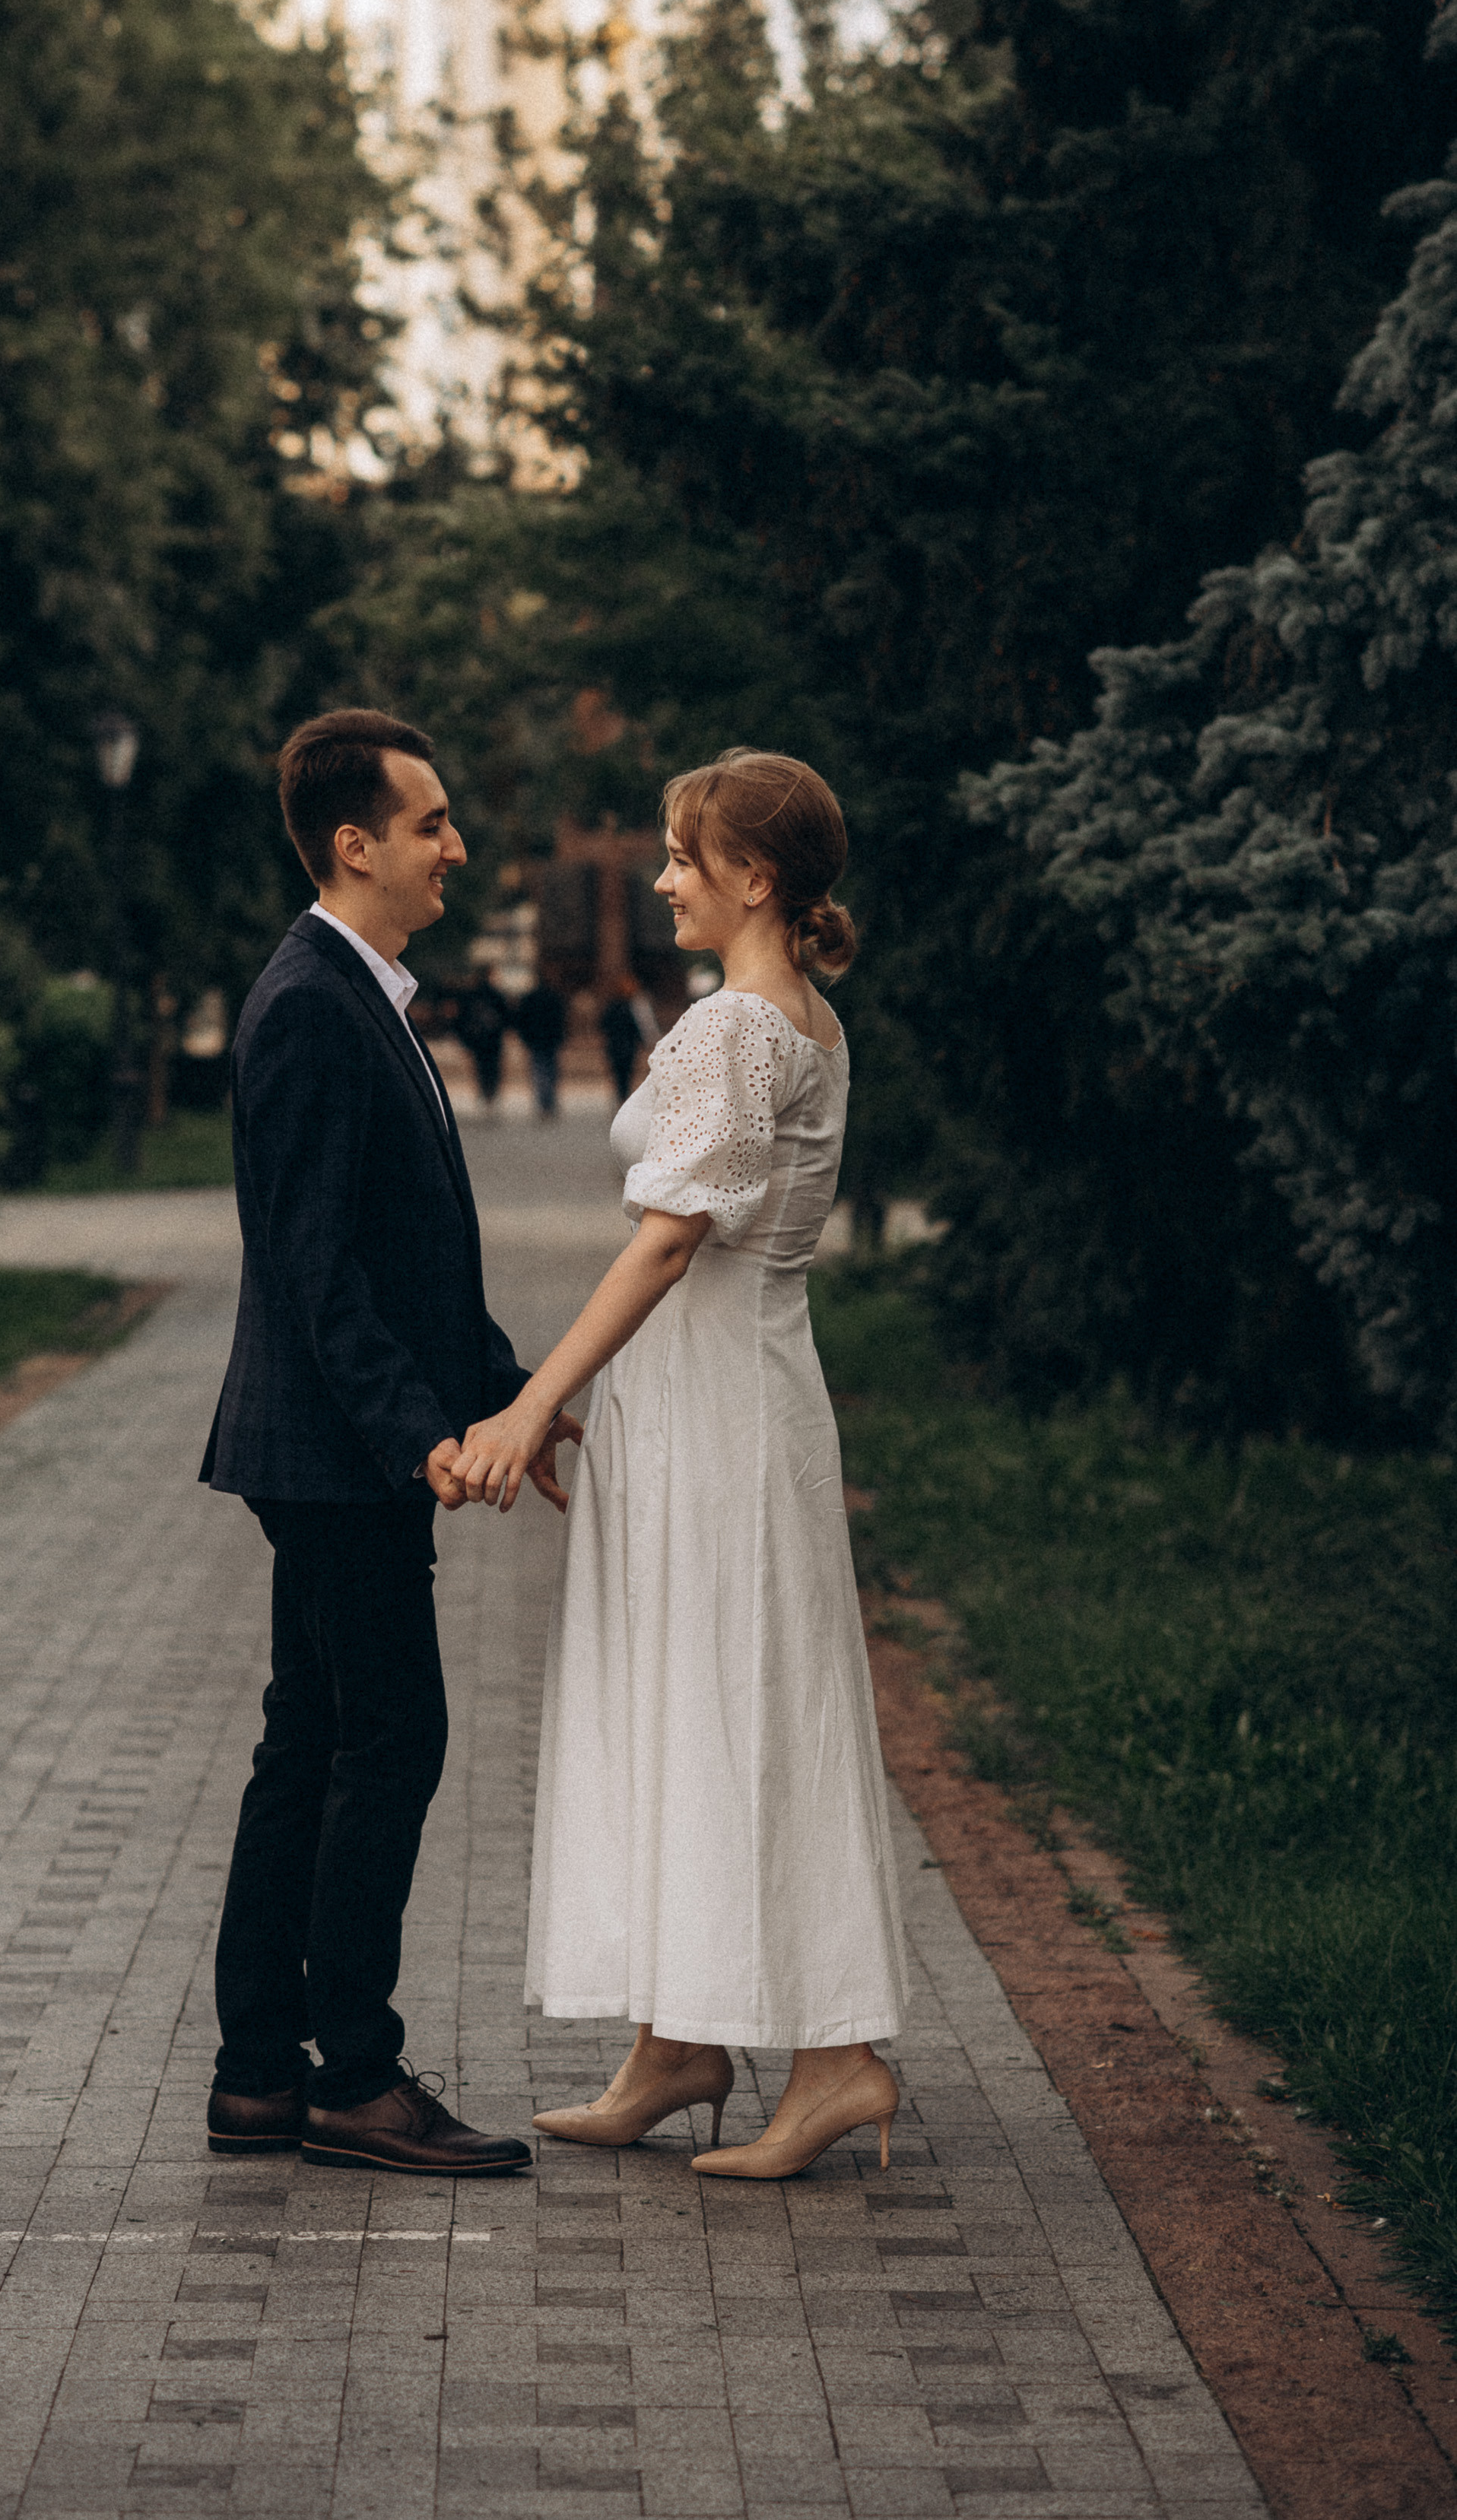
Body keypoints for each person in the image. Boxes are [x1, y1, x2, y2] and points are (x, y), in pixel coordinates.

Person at [451, 749, 907, 2180]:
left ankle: (834, 2060)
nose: (657, 880)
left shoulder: (734, 1034)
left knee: (726, 1701)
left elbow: (665, 1244)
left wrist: (531, 1402)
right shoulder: (803, 1022)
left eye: (680, 857)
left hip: (714, 1408)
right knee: (693, 1698)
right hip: (735, 1393)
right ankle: (679, 2042)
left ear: (753, 877)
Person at [199, 706, 580, 2177]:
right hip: (332, 1454)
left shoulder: (359, 992)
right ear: (354, 844)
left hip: (331, 1448)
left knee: (309, 1745)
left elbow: (412, 1259)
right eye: (432, 823)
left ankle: (255, 2076)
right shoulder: (309, 1000)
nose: (455, 848)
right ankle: (353, 2076)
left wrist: (506, 1399)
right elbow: (315, 1270)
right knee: (389, 1742)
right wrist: (421, 1439)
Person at [511, 979, 568, 1119]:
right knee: (551, 1071)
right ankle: (549, 1102)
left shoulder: (530, 998)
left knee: (539, 1071)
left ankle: (544, 1102)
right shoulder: (554, 997)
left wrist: (525, 1037)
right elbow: (560, 1019)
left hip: (536, 1040)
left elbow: (522, 1019)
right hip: (550, 1040)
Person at [597, 976, 659, 1105]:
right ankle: (623, 1096)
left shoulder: (613, 1007)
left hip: (615, 1045)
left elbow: (603, 1025)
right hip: (627, 1046)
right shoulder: (630, 1008)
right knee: (626, 1073)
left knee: (620, 1073)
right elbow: (637, 1027)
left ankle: (621, 1096)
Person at [456, 969, 509, 1115]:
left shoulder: (471, 995)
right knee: (493, 1068)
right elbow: (506, 1016)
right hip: (492, 1039)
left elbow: (462, 1019)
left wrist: (465, 1039)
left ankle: (484, 1093)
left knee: (481, 1067)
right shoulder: (496, 995)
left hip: (478, 1040)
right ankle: (491, 1094)